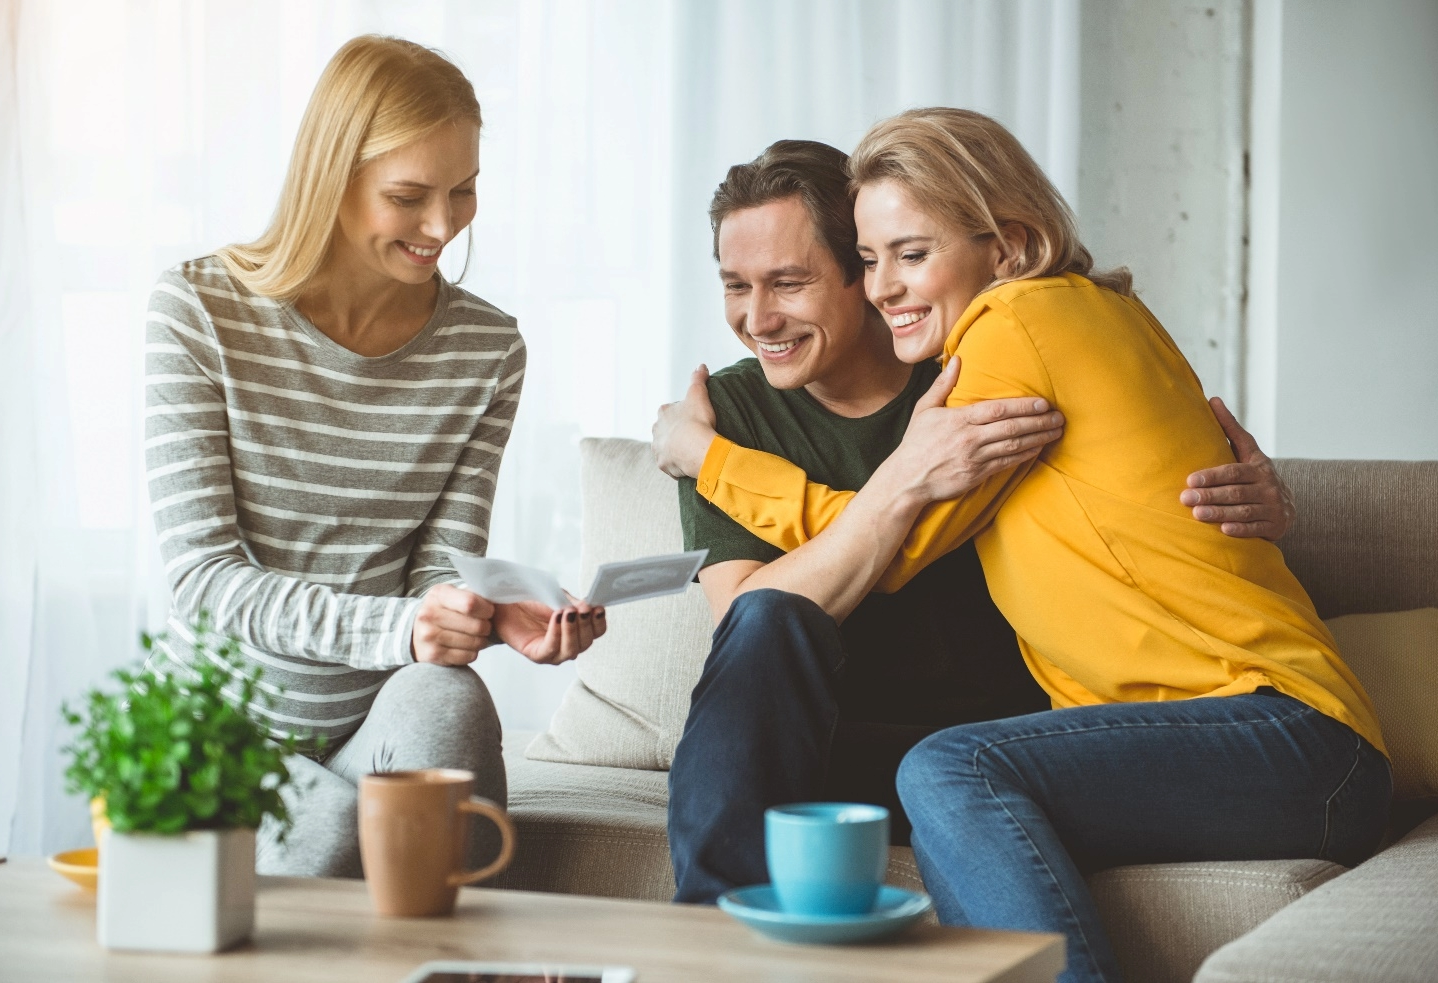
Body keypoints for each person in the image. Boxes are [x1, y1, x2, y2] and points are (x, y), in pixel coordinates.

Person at [654, 138, 1300, 912]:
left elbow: (1137, 465)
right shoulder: (730, 413)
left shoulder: (972, 349)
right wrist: (720, 453)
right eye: (735, 286)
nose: (757, 318)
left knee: (951, 764)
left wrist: (1265, 498)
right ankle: (708, 944)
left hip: (1014, 740)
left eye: (788, 282)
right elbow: (751, 623)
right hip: (845, 750)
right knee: (761, 632)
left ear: (861, 278)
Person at [142, 36, 604, 878]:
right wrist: (403, 625)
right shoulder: (198, 311)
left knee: (447, 697)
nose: (442, 224)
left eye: (462, 190)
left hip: (372, 731)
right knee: (330, 840)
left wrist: (482, 611)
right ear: (334, 176)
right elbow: (201, 578)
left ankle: (451, 953)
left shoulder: (485, 348)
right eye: (408, 195)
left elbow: (435, 569)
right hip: (221, 738)